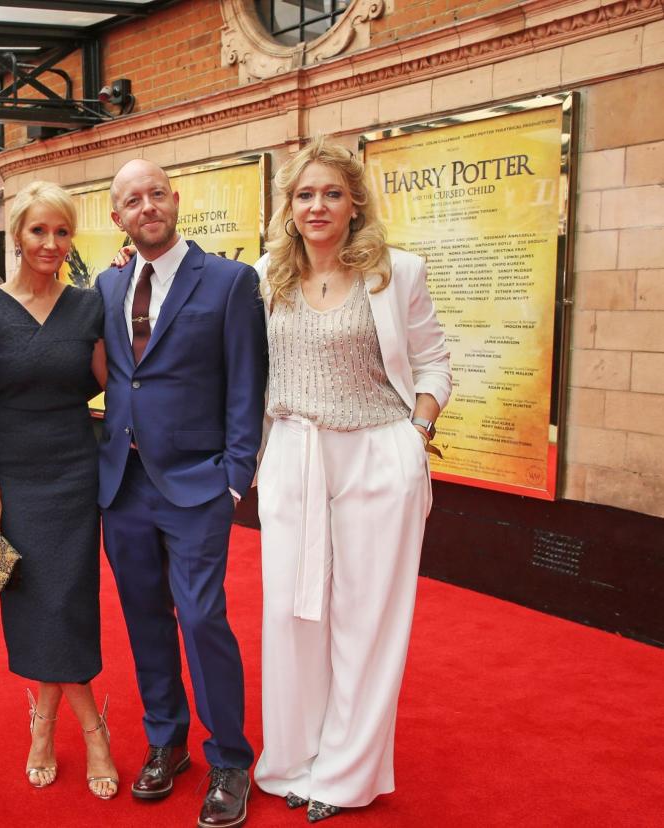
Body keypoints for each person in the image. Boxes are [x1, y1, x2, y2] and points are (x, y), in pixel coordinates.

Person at [251, 137, 450, 822]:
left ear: (355, 201)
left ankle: (344, 774)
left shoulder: (398, 273)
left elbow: (433, 365)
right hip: (292, 457)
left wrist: (416, 436)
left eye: (332, 192)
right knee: (290, 616)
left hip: (376, 454)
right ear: (289, 206)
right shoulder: (266, 278)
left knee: (367, 620)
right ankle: (293, 759)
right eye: (305, 194)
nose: (318, 205)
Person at [94, 160, 268, 828]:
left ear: (176, 200)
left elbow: (247, 382)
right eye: (132, 199)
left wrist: (234, 475)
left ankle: (229, 756)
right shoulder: (109, 287)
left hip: (198, 484)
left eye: (156, 194)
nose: (147, 206)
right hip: (124, 482)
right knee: (143, 617)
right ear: (117, 218)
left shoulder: (229, 281)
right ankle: (166, 739)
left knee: (200, 617)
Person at [0, 181, 116, 799]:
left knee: (70, 600)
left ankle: (48, 724)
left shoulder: (88, 307)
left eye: (61, 231)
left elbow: (117, 384)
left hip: (77, 471)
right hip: (16, 478)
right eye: (37, 231)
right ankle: (90, 727)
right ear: (15, 236)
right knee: (35, 603)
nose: (50, 243)